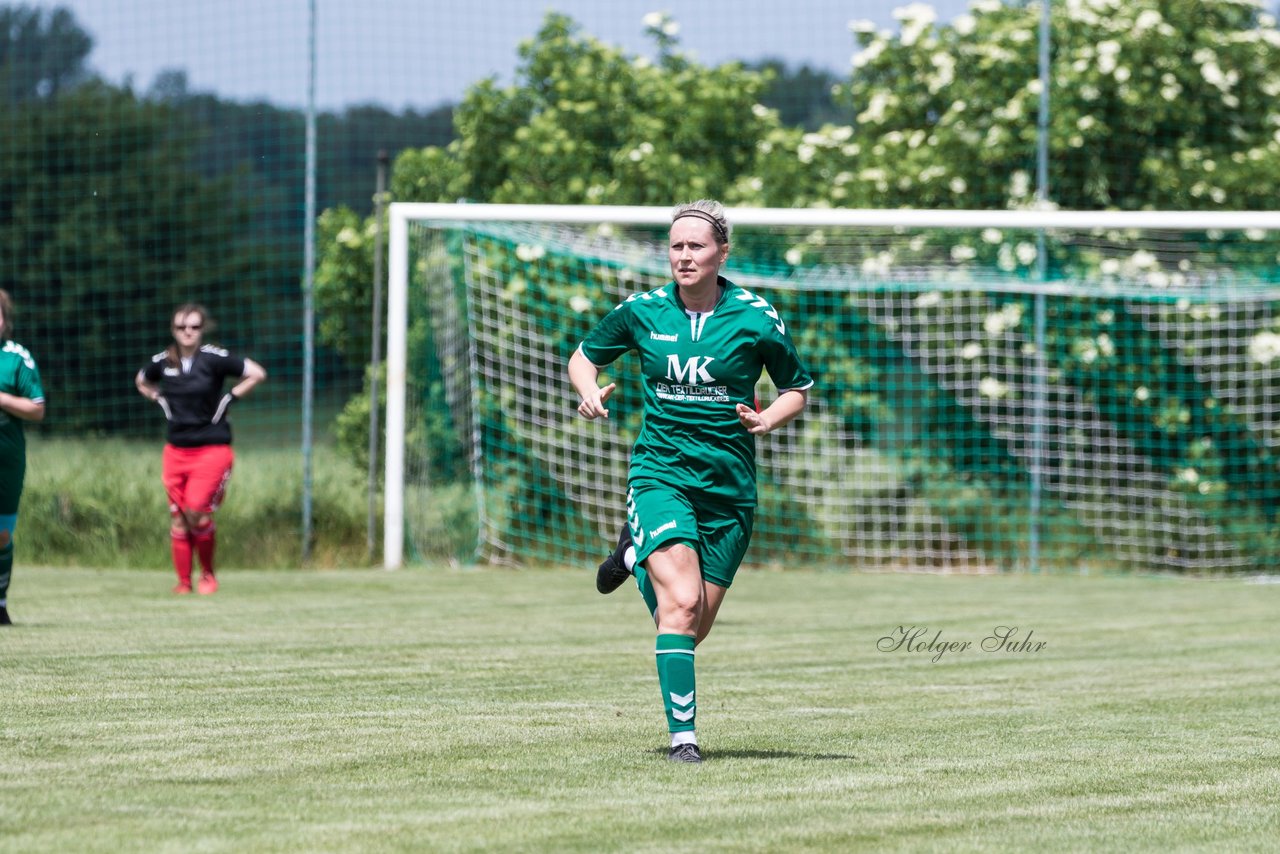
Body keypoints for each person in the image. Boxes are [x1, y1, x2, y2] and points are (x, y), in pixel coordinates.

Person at [568, 200, 813, 763]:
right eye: (676, 246)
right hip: (662, 472)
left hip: (729, 488)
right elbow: (584, 357)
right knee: (679, 602)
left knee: (690, 624)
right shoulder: (642, 311)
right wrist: (587, 391)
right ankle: (685, 742)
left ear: (721, 253)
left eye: (696, 246)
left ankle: (632, 559)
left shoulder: (755, 316)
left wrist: (766, 419)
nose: (684, 256)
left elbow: (797, 387)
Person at [136, 304, 266, 595]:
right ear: (174, 330)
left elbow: (257, 373)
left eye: (194, 327)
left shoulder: (214, 359)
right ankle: (183, 583)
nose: (188, 332)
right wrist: (157, 398)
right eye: (182, 327)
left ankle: (208, 575)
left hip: (212, 449)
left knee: (196, 511)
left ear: (202, 329)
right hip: (176, 451)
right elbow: (141, 380)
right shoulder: (165, 361)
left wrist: (230, 397)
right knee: (179, 518)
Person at [0, 290, 46, 626]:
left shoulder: (17, 358)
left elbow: (36, 408)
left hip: (7, 458)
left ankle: (0, 602)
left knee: (1, 534)